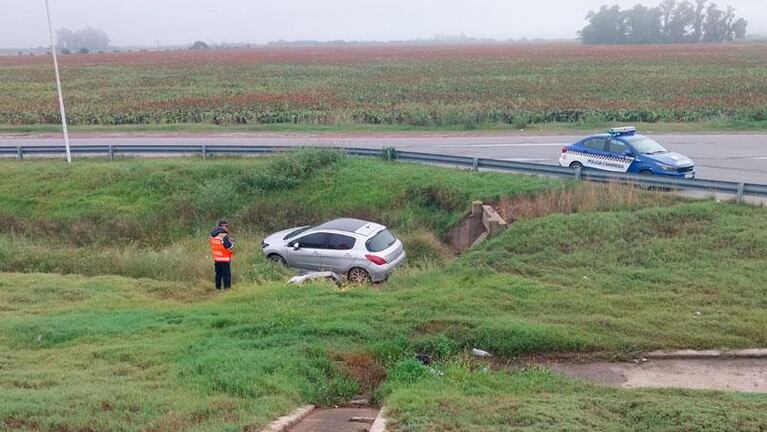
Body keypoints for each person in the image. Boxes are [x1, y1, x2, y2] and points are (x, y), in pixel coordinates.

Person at [209, 220, 235, 290]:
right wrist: (232, 242)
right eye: (226, 226)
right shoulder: (223, 235)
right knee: (226, 275)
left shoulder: (212, 235)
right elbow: (229, 246)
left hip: (217, 258)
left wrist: (227, 239)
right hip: (225, 258)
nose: (227, 228)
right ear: (222, 226)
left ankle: (218, 288)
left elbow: (218, 244)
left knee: (218, 274)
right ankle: (227, 289)